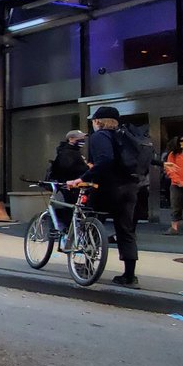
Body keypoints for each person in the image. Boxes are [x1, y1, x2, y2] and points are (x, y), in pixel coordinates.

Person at [67, 106, 140, 289]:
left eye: (93, 121)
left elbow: (105, 161)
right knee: (125, 229)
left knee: (91, 222)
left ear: (98, 121)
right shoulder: (123, 135)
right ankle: (129, 275)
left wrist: (81, 179)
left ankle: (87, 266)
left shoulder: (100, 136)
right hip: (130, 188)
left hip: (108, 188)